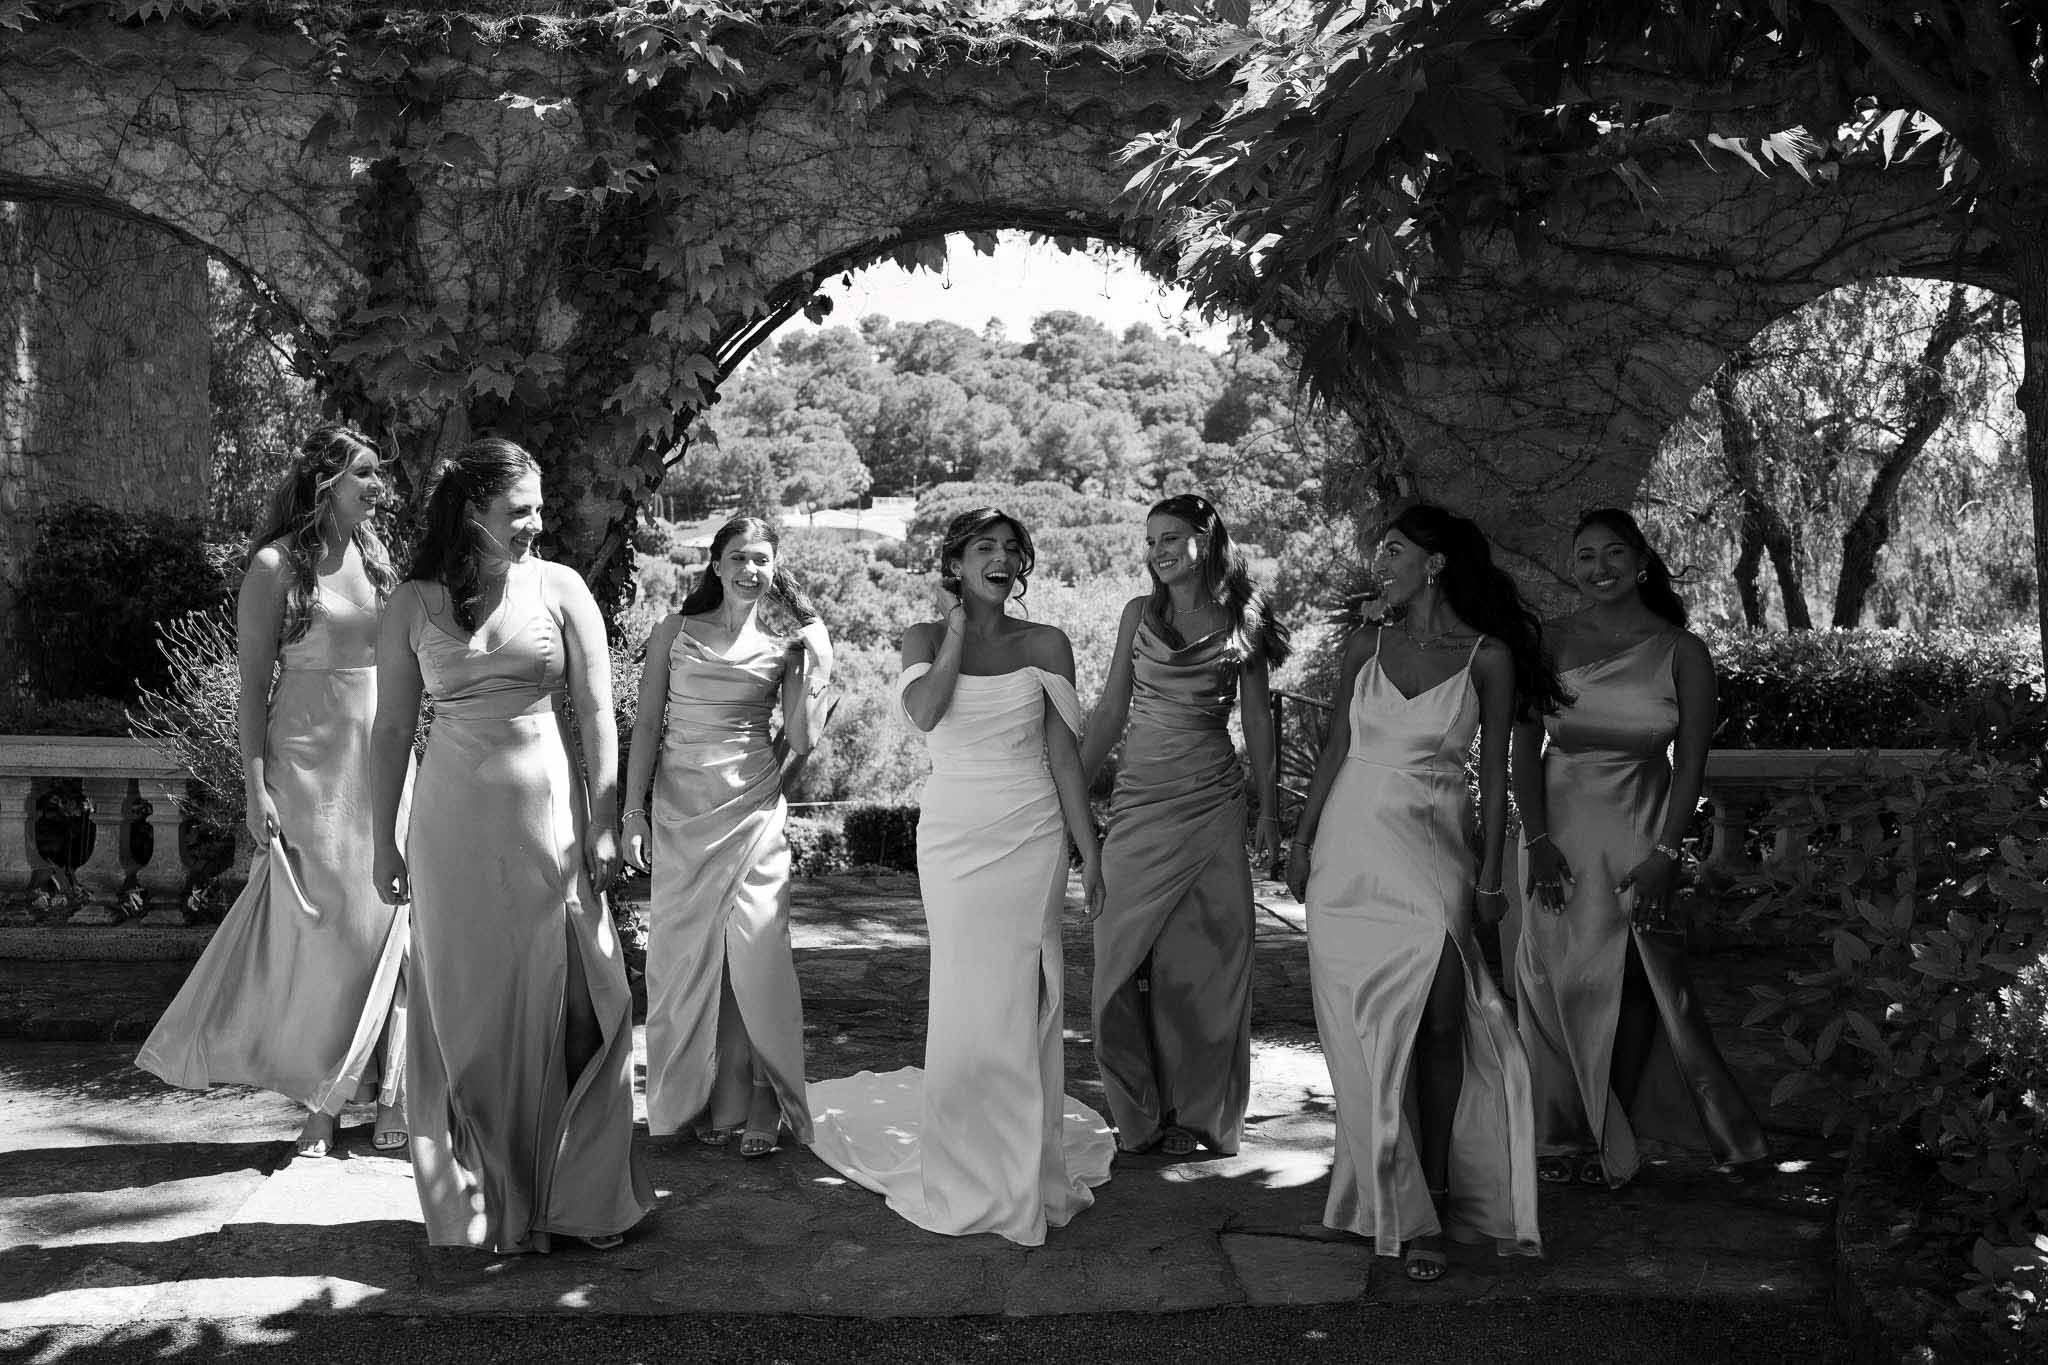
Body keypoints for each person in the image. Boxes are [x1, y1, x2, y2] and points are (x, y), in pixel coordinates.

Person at [369, 436, 650, 1253]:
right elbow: (390, 730)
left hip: (552, 822)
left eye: (537, 506)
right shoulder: (412, 603)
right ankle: (492, 1199)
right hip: (452, 824)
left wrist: (604, 818)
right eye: (520, 508)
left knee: (586, 1000)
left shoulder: (559, 587)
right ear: (471, 513)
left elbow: (598, 712)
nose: (537, 522)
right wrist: (383, 841)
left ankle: (582, 1194)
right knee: (472, 1008)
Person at [806, 508, 1115, 1246]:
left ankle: (1022, 1168)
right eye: (986, 548)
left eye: (1014, 548)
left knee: (1023, 991)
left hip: (1031, 829)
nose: (1003, 558)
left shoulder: (1047, 642)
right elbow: (925, 712)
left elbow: (1064, 755)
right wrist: (954, 632)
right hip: (953, 831)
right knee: (966, 994)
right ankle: (964, 1161)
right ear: (955, 562)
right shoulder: (921, 637)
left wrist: (1090, 849)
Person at [1284, 503, 1562, 1282]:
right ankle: (1390, 1195)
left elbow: (1501, 775)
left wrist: (1490, 875)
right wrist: (1302, 841)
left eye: (1394, 548)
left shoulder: (1489, 658)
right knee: (1357, 1029)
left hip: (1432, 850)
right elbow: (1338, 743)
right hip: (1347, 852)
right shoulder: (1364, 644)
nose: (1381, 561)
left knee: (1444, 1020)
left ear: (1433, 562)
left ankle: (1435, 1184)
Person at [138, 426, 409, 1158]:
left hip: (381, 764)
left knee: (386, 930)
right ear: (325, 483)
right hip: (308, 769)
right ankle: (321, 1103)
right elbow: (252, 691)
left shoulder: (379, 561)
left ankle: (387, 1090)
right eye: (364, 475)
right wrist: (257, 788)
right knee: (323, 933)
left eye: (378, 476)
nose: (377, 488)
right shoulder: (272, 568)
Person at [1512, 508, 1768, 1189]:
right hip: (1556, 837)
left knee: (1638, 985)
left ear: (1641, 559)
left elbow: (1690, 767)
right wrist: (1534, 838)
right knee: (1553, 983)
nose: (1601, 568)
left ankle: (1609, 1129)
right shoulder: (1548, 641)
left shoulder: (1682, 651)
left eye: (1614, 554)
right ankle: (1559, 1132)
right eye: (1586, 556)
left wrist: (1666, 851)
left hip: (1640, 837)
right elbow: (1521, 747)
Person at [1080, 493, 1288, 1159]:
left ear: (1206, 537)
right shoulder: (1138, 614)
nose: (1157, 550)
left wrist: (1270, 810)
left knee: (1203, 961)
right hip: (1140, 803)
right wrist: (1064, 794)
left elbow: (1256, 720)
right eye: (1150, 540)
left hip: (1212, 803)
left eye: (1170, 536)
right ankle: (1138, 1113)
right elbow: (1111, 710)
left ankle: (1199, 1114)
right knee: (1118, 953)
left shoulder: (1244, 617)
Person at [623, 514, 833, 1159]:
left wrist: (818, 659)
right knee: (685, 963)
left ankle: (766, 1097)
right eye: (738, 557)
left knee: (758, 956)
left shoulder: (782, 649)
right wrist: (633, 813)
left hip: (755, 807)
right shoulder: (674, 632)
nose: (749, 570)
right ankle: (703, 1099)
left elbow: (800, 740)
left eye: (762, 559)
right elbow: (649, 727)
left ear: (775, 571)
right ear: (716, 565)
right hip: (682, 811)